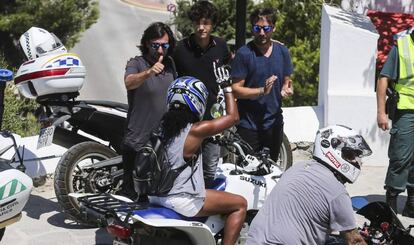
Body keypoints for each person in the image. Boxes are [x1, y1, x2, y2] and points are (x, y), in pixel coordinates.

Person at [149, 71, 247, 245]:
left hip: (156, 197)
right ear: (197, 101)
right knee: (240, 204)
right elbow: (233, 117)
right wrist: (226, 87)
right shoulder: (196, 130)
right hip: (181, 200)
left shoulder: (162, 128)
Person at [245, 125, 372, 245]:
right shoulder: (337, 193)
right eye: (350, 155)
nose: (356, 161)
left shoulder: (296, 168)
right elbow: (354, 240)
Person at [172, 0, 231, 188]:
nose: (201, 27)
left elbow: (229, 70)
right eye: (197, 22)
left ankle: (205, 210)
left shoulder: (221, 47)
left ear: (212, 24)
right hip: (185, 122)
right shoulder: (179, 49)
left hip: (212, 120)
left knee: (209, 170)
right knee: (183, 168)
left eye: (205, 23)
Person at [121, 22, 176, 200]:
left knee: (156, 193)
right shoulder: (136, 63)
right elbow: (129, 82)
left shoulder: (171, 65)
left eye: (164, 45)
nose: (160, 50)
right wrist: (149, 72)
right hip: (138, 139)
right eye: (155, 45)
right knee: (133, 193)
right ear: (146, 43)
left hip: (162, 142)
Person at [231, 7, 293, 163]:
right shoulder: (244, 54)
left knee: (270, 170)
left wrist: (287, 89)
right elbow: (236, 90)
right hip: (248, 126)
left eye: (266, 28)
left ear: (274, 28)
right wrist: (261, 91)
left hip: (274, 123)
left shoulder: (283, 51)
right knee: (247, 174)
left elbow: (287, 81)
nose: (262, 33)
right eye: (257, 28)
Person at [376, 29, 414, 217]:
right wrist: (381, 112)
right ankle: (390, 204)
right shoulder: (402, 46)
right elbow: (383, 79)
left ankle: (411, 205)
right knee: (400, 157)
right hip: (406, 111)